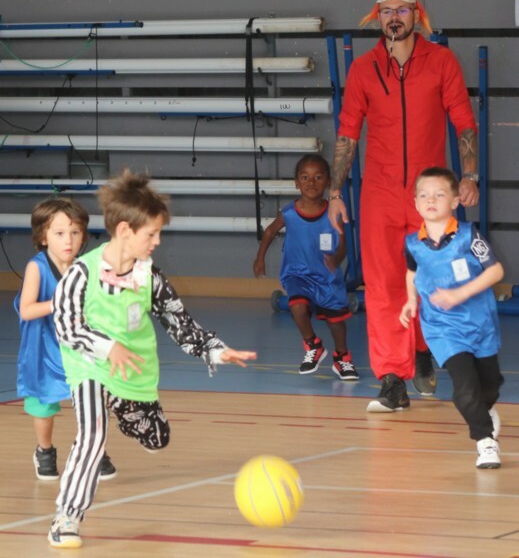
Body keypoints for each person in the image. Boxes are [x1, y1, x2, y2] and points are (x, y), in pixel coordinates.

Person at [47, 169, 256, 549]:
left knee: (158, 439)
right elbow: (66, 327)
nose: (157, 241)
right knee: (92, 436)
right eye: (152, 234)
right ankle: (66, 518)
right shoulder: (80, 274)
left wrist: (215, 350)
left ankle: (124, 408)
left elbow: (179, 322)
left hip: (133, 373)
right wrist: (108, 347)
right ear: (125, 230)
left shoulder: (150, 277)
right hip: (89, 365)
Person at [327, 0, 480, 411]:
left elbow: (463, 121)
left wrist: (469, 175)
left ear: (417, 15)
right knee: (383, 286)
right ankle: (392, 379)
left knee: (434, 281)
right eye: (387, 11)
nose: (395, 17)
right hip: (380, 194)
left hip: (431, 196)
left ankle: (422, 349)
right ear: (378, 19)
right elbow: (348, 134)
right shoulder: (363, 70)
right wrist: (335, 191)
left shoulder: (442, 62)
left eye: (402, 10)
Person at [400, 167, 504, 468]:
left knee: (490, 385)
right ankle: (485, 441)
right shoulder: (412, 243)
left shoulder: (469, 236)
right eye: (424, 195)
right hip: (442, 328)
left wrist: (460, 294)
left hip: (480, 324)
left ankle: (485, 410)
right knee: (465, 389)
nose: (431, 200)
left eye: (439, 194)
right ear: (416, 203)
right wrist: (411, 300)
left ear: (455, 201)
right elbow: (412, 272)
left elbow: (496, 270)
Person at [15, 197, 117, 482]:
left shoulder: (87, 267)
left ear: (83, 235)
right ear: (43, 237)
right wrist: (60, 302)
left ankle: (92, 448)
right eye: (59, 233)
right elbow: (26, 309)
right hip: (43, 346)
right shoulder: (36, 267)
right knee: (44, 406)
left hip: (78, 345)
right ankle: (44, 451)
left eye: (74, 232)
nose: (68, 240)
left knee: (96, 397)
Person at [253, 154, 359, 381]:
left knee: (336, 323)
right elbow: (270, 231)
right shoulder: (290, 213)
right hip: (297, 274)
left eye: (318, 177)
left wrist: (336, 258)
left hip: (327, 277)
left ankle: (342, 358)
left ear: (328, 182)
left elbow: (343, 245)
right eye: (305, 177)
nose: (311, 182)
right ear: (296, 183)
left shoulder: (333, 213)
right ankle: (313, 344)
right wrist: (260, 258)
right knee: (297, 307)